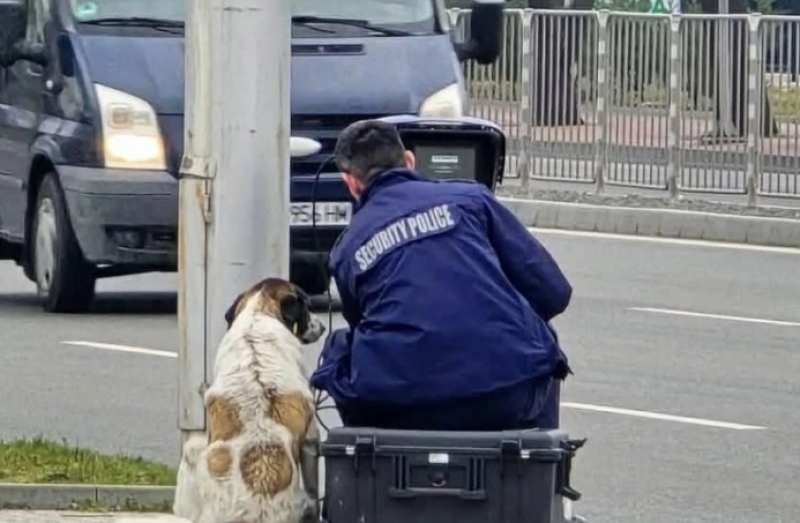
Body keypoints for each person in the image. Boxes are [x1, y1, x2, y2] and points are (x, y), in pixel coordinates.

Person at [310, 119, 573, 431]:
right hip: (509, 399)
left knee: (339, 346)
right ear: (409, 161)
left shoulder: (348, 248)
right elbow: (553, 293)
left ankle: (372, 462)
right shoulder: (471, 199)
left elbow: (364, 327)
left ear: (351, 183)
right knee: (538, 337)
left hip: (401, 408)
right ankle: (538, 468)